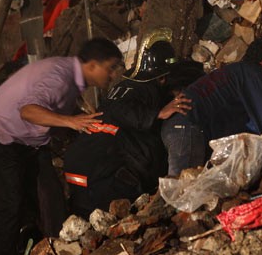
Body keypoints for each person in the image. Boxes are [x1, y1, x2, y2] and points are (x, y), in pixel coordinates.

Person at [0, 37, 124, 255]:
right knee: (11, 201)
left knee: (51, 197)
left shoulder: (71, 78)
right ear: (92, 65)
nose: (113, 75)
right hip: (1, 135)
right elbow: (28, 111)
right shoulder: (60, 77)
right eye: (110, 68)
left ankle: (59, 254)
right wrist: (71, 121)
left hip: (31, 141)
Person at [63, 29, 195, 217]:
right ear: (162, 78)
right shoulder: (143, 92)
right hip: (100, 174)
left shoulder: (125, 86)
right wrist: (157, 113)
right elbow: (123, 111)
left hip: (83, 168)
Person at [161, 38, 262, 176]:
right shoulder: (252, 72)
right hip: (186, 126)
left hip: (180, 127)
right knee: (183, 186)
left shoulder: (238, 73)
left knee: (188, 183)